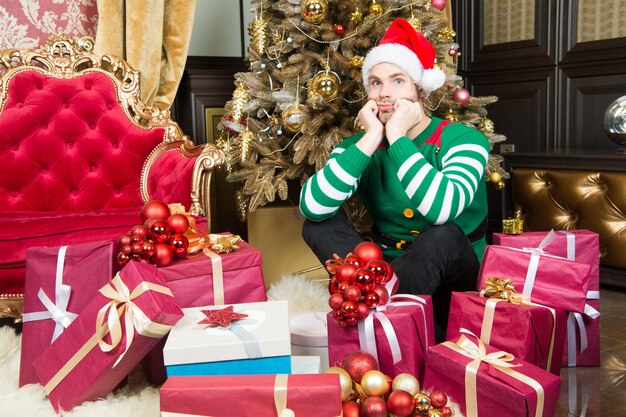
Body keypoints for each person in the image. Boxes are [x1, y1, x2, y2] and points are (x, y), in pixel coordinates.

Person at [299, 18, 490, 340]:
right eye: (375, 82)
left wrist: (398, 136)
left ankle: (383, 323)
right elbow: (313, 207)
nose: (384, 93)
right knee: (318, 224)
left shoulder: (463, 139)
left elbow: (442, 210)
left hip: (455, 278)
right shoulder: (360, 145)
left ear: (420, 88)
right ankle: (385, 309)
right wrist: (372, 137)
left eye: (398, 81)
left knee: (441, 234)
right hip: (385, 269)